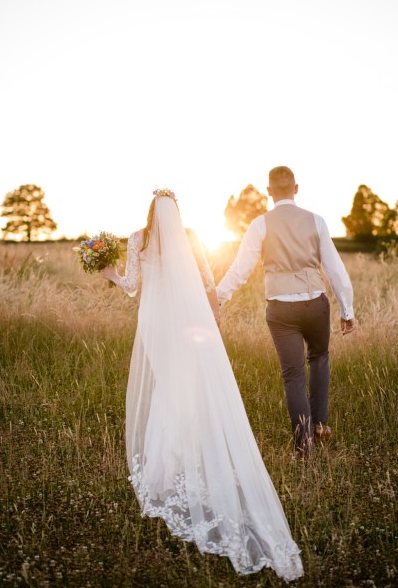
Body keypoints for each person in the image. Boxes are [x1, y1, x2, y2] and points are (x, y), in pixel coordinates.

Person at [101, 189, 303, 581]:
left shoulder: (137, 238)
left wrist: (108, 274)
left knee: (168, 389)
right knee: (185, 390)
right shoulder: (191, 238)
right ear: (176, 212)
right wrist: (213, 319)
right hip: (185, 325)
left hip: (156, 326)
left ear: (150, 211)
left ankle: (168, 463)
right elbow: (209, 282)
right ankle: (180, 456)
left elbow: (129, 286)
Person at [217, 166, 356, 458]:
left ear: (269, 192)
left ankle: (303, 445)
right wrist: (347, 310)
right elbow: (335, 269)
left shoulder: (260, 225)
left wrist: (216, 300)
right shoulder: (316, 221)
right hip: (314, 303)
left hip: (280, 308)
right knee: (319, 359)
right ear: (296, 188)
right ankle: (319, 424)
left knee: (293, 375)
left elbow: (240, 270)